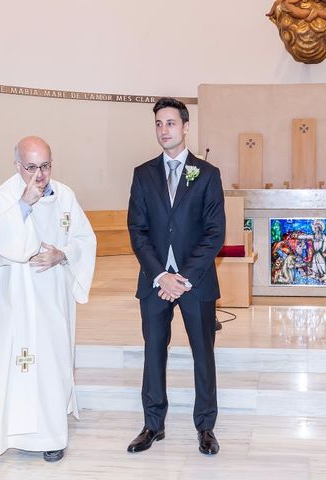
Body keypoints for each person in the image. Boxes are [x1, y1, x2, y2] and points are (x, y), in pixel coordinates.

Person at [0, 136, 96, 461]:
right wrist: (24, 205)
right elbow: (1, 240)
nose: (40, 175)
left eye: (45, 166)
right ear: (18, 165)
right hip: (21, 299)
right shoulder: (4, 198)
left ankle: (53, 436)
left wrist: (63, 254)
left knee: (54, 361)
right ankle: (21, 434)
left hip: (55, 296)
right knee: (26, 363)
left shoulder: (65, 195)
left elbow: (85, 238)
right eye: (31, 167)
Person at [127, 97, 226, 455]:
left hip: (195, 282)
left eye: (170, 123)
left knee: (203, 353)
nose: (163, 130)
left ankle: (205, 426)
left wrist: (182, 276)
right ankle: (153, 424)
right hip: (155, 282)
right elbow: (137, 230)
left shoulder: (207, 174)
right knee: (154, 351)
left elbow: (215, 232)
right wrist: (160, 275)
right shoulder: (142, 174)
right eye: (158, 124)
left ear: (185, 127)